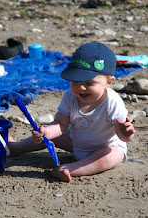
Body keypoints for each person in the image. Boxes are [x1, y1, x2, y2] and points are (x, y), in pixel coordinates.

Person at [8, 42, 135, 182]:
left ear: (109, 82)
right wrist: (47, 132)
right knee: (51, 136)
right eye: (75, 81)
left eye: (89, 83)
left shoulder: (113, 102)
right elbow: (61, 124)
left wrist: (125, 133)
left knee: (113, 155)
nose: (81, 87)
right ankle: (16, 147)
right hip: (76, 143)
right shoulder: (70, 96)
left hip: (104, 147)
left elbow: (123, 138)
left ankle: (72, 168)